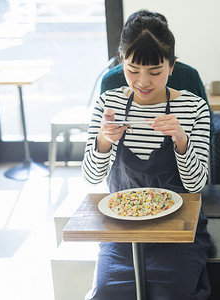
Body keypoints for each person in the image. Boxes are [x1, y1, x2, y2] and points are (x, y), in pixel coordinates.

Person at [82, 12, 211, 300]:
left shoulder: (194, 108)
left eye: (155, 72)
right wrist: (103, 139)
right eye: (132, 70)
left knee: (171, 292)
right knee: (106, 293)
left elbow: (196, 186)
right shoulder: (109, 103)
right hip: (122, 230)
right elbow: (91, 178)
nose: (143, 82)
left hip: (179, 230)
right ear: (121, 61)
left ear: (172, 65)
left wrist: (181, 139)